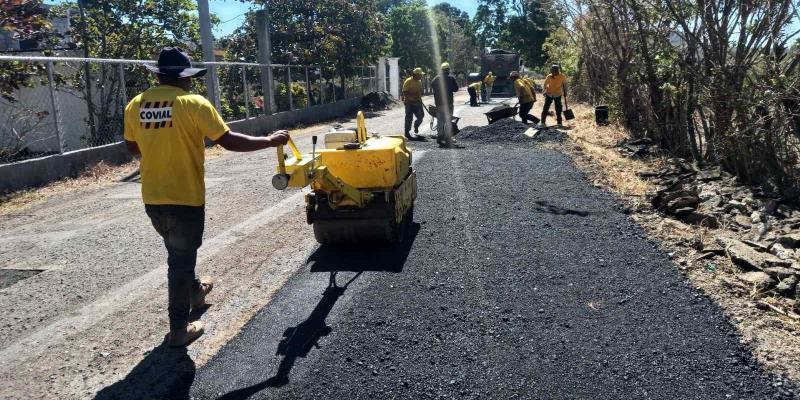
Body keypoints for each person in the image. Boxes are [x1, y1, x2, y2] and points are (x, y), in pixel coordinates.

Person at [123, 47, 289, 347]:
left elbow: (133, 147)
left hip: (152, 196)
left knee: (179, 251)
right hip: (184, 196)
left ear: (159, 75)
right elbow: (228, 141)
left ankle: (196, 292)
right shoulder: (193, 103)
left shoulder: (136, 104)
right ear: (185, 78)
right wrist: (270, 140)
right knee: (180, 261)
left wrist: (160, 145)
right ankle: (178, 329)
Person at [430, 62, 459, 147]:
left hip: (439, 104)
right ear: (448, 70)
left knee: (440, 121)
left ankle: (440, 137)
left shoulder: (436, 78)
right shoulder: (451, 78)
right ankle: (447, 138)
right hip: (449, 103)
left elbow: (432, 86)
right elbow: (456, 89)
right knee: (448, 121)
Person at [401, 67, 426, 141]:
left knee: (421, 117)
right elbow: (404, 92)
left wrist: (418, 99)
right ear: (415, 75)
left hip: (418, 102)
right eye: (420, 75)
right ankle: (407, 133)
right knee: (409, 118)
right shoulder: (408, 81)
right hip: (409, 103)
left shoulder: (419, 82)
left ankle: (416, 126)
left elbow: (419, 92)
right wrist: (411, 99)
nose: (421, 76)